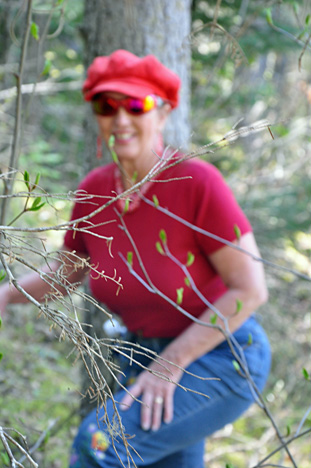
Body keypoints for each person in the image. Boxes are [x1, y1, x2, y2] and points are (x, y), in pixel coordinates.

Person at [1, 49, 271, 468]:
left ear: (162, 113)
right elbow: (64, 275)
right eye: (107, 105)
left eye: (136, 104)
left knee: (99, 446)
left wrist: (171, 363)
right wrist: (5, 295)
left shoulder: (196, 183)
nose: (121, 118)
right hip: (144, 357)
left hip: (222, 355)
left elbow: (250, 290)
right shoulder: (94, 191)